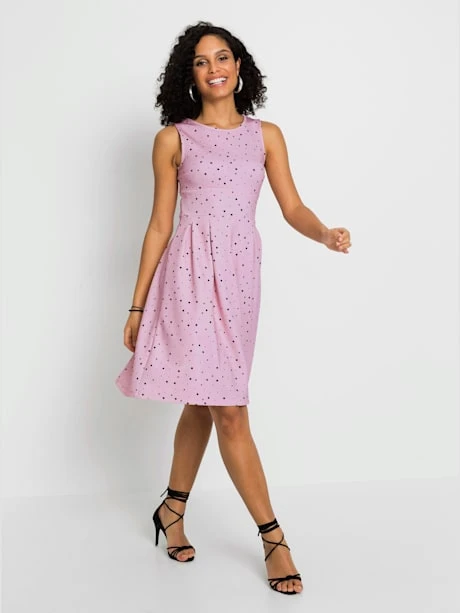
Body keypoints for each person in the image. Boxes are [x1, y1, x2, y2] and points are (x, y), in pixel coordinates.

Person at [115, 21, 352, 595]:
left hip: (242, 280)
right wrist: (138, 306)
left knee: (205, 401)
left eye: (222, 57)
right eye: (201, 62)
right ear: (189, 75)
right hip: (188, 278)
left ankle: (171, 508)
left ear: (239, 66)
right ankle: (274, 538)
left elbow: (291, 206)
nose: (214, 68)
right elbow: (159, 225)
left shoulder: (265, 135)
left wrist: (323, 233)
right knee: (229, 410)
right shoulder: (173, 140)